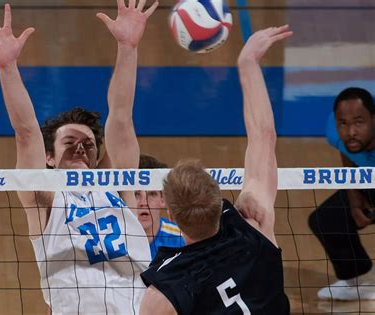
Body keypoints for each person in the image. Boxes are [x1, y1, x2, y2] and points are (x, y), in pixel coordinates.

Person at [0, 1, 158, 314]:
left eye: (87, 143)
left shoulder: (116, 187)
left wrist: (128, 48)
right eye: (70, 142)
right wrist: (8, 67)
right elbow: (27, 133)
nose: (81, 148)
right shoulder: (45, 199)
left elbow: (121, 117)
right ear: (49, 157)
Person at [139, 26, 292, 315]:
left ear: (171, 214)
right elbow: (264, 135)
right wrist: (248, 63)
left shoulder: (164, 290)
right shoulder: (252, 227)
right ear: (216, 196)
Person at [308, 87, 375, 301]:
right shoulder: (335, 131)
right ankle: (357, 282)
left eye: (359, 122)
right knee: (326, 219)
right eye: (343, 123)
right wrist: (355, 202)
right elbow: (347, 153)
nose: (350, 131)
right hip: (369, 178)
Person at [135, 154, 185, 258]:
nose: (144, 202)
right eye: (136, 194)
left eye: (152, 194)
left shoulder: (182, 238)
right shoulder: (112, 240)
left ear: (163, 200)